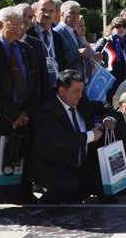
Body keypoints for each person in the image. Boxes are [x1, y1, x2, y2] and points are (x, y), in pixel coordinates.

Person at [29, 70, 116, 205]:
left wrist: (109, 118)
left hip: (78, 163)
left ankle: (70, 204)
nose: (80, 95)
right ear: (62, 91)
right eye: (76, 91)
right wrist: (91, 135)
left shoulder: (82, 102)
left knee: (94, 184)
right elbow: (60, 139)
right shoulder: (48, 110)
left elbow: (105, 105)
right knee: (69, 186)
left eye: (81, 90)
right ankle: (42, 206)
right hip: (51, 164)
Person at [0, 6, 41, 205]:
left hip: (24, 117)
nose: (18, 28)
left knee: (22, 163)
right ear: (0, 25)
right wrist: (13, 114)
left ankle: (22, 199)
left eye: (21, 24)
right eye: (12, 24)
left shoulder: (27, 49)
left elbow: (35, 83)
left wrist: (25, 113)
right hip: (0, 117)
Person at [94, 17, 126, 101]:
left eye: (124, 26)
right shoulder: (105, 41)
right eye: (118, 26)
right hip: (110, 79)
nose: (121, 28)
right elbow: (94, 56)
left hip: (124, 78)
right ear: (112, 27)